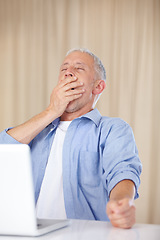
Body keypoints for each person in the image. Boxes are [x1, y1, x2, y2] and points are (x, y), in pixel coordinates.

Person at [0, 48, 142, 229]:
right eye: (64, 69)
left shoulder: (112, 129)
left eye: (79, 68)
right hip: (30, 233)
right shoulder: (36, 130)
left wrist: (122, 201)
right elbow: (3, 150)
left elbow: (123, 172)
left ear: (98, 86)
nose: (68, 72)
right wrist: (52, 111)